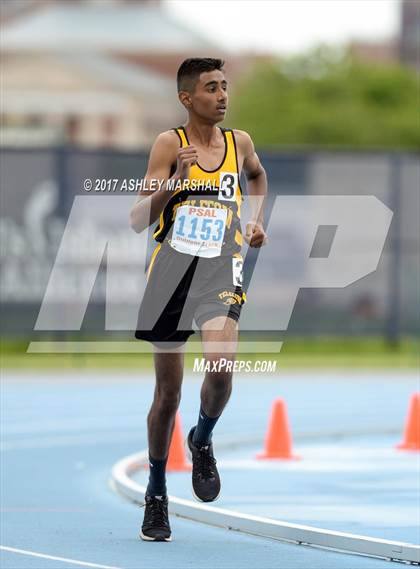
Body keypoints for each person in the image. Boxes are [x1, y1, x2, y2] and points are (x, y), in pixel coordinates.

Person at [130, 58, 267, 542]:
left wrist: (253, 220)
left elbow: (256, 177)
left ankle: (202, 439)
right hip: (171, 274)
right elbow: (137, 218)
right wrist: (175, 183)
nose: (223, 95)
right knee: (168, 395)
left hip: (219, 271)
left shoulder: (239, 143)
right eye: (212, 88)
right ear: (188, 99)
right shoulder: (170, 144)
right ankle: (156, 492)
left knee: (221, 369)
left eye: (225, 86)